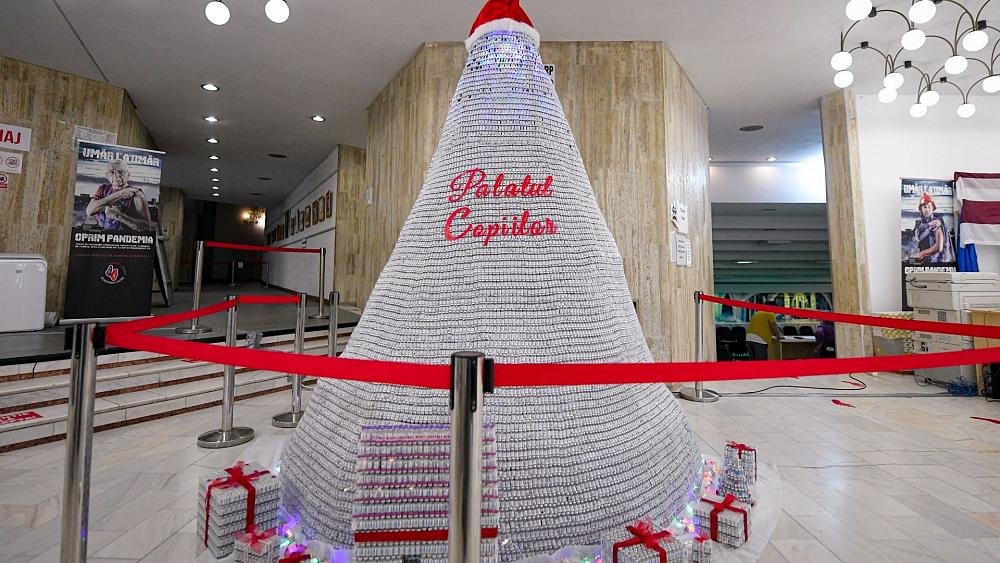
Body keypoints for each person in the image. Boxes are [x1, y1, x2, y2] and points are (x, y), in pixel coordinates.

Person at [86, 159, 154, 232]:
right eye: (111, 172)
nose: (116, 175)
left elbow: (146, 227)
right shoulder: (103, 189)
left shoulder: (136, 193)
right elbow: (90, 211)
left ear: (128, 175)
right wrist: (120, 194)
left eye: (121, 172)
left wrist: (118, 216)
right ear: (107, 175)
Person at [911, 192, 953, 264]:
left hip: (937, 260)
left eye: (929, 207)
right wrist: (928, 225)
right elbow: (916, 237)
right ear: (921, 209)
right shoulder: (919, 223)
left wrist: (921, 253)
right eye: (924, 207)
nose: (927, 210)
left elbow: (938, 248)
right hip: (924, 261)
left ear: (933, 208)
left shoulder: (937, 222)